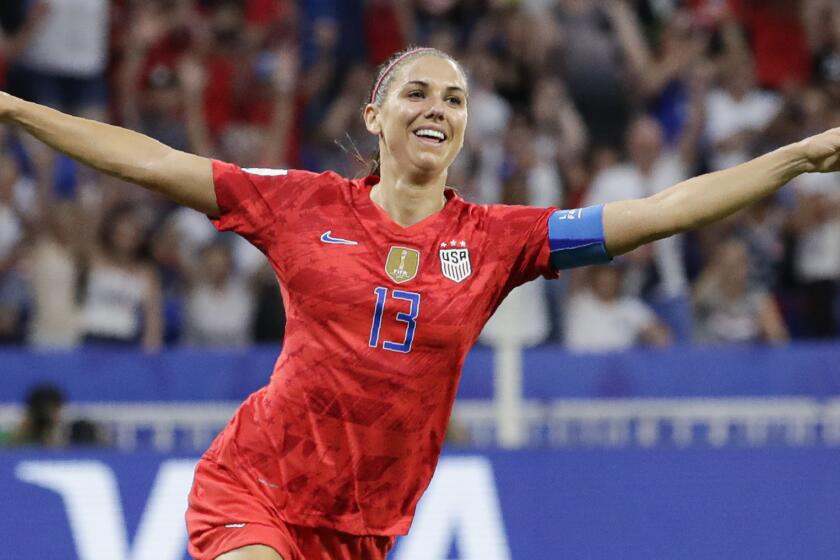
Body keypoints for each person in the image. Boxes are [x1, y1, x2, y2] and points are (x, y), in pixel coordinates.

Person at [0, 45, 838, 560]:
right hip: (255, 485)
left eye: (455, 99)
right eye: (417, 93)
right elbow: (149, 160)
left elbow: (659, 213)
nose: (437, 108)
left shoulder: (504, 239)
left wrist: (794, 158)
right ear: (376, 115)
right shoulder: (300, 205)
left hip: (366, 526)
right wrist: (10, 107)